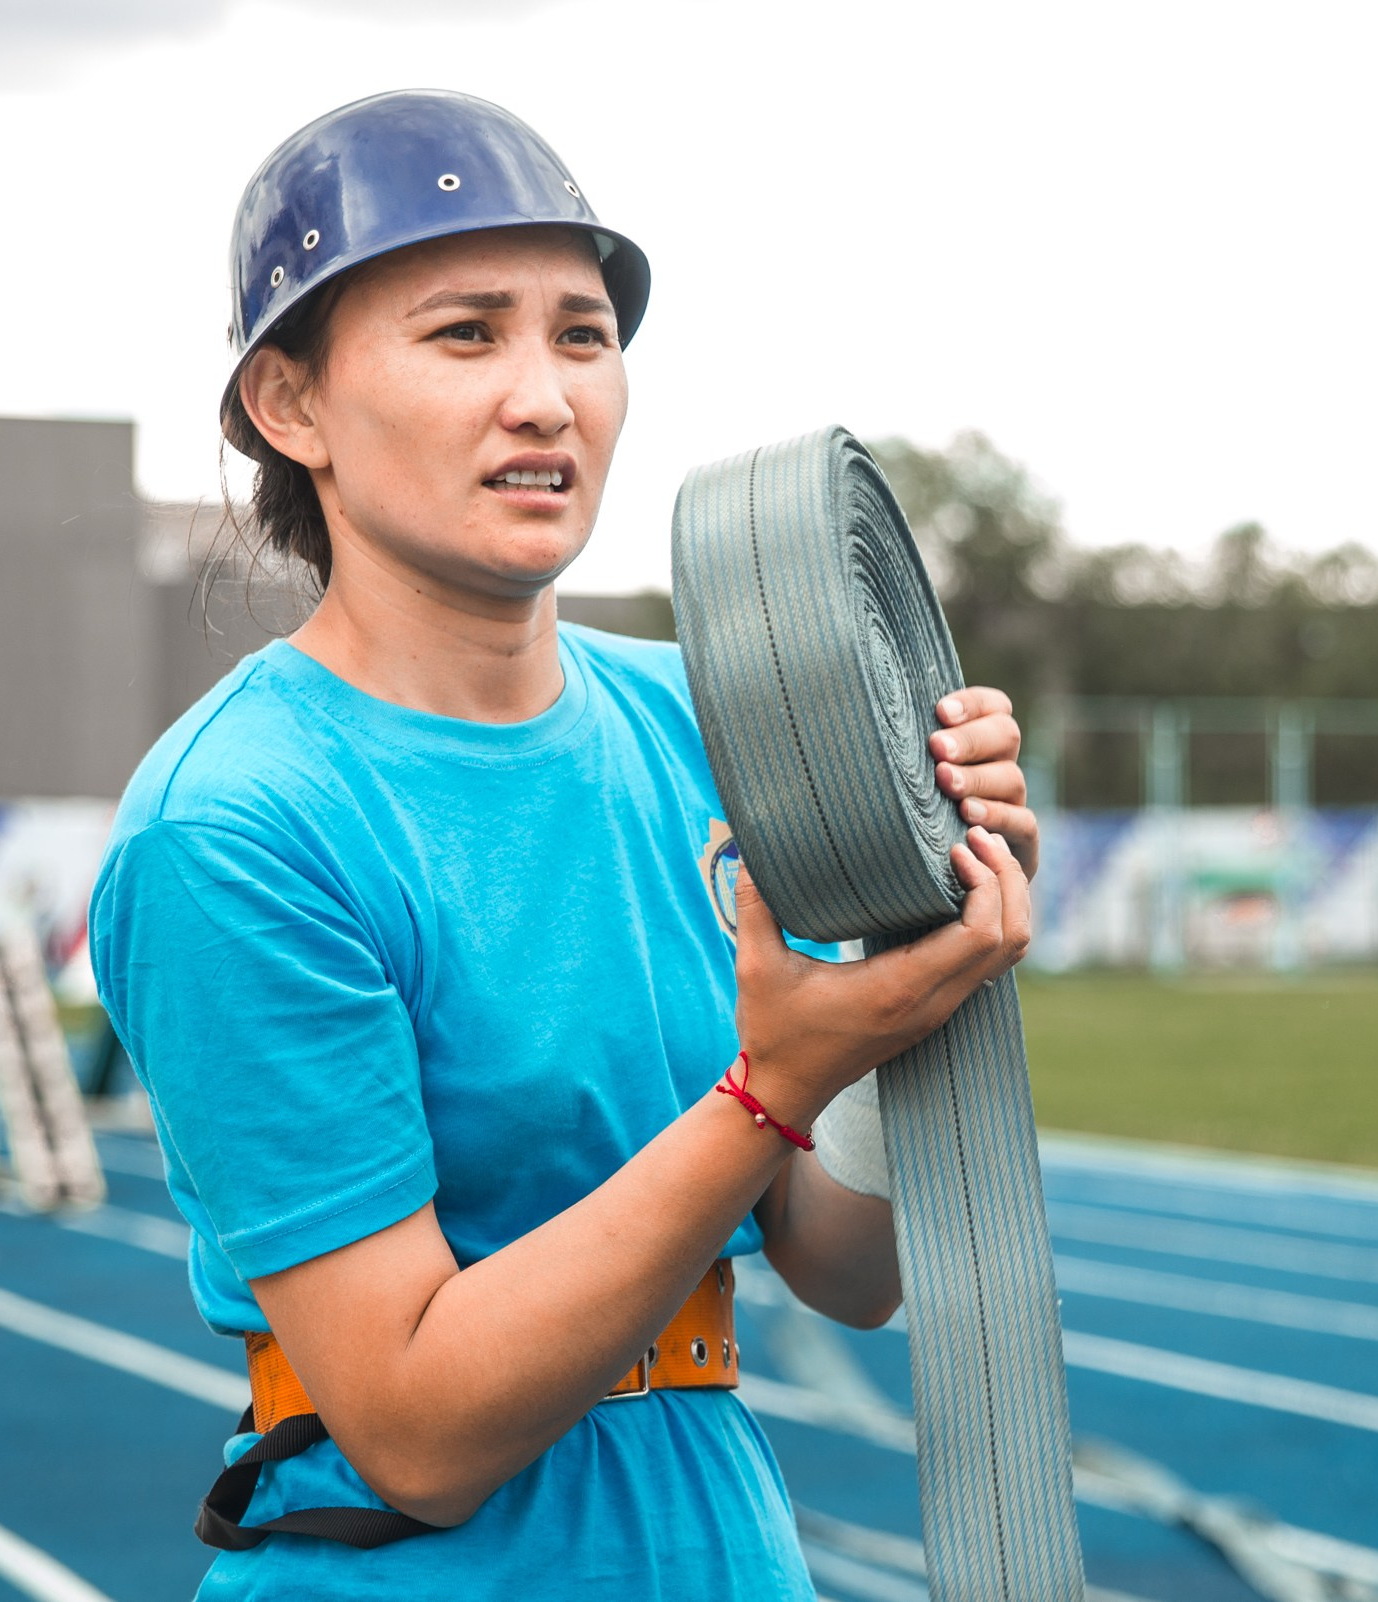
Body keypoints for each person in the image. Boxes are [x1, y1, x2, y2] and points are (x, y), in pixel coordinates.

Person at [87, 90, 1042, 1601]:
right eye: (467, 333)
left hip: (722, 1549)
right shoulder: (237, 823)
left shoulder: (700, 720)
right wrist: (777, 1078)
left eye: (583, 335)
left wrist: (913, 933)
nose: (545, 397)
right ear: (292, 404)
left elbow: (851, 1269)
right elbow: (416, 1427)